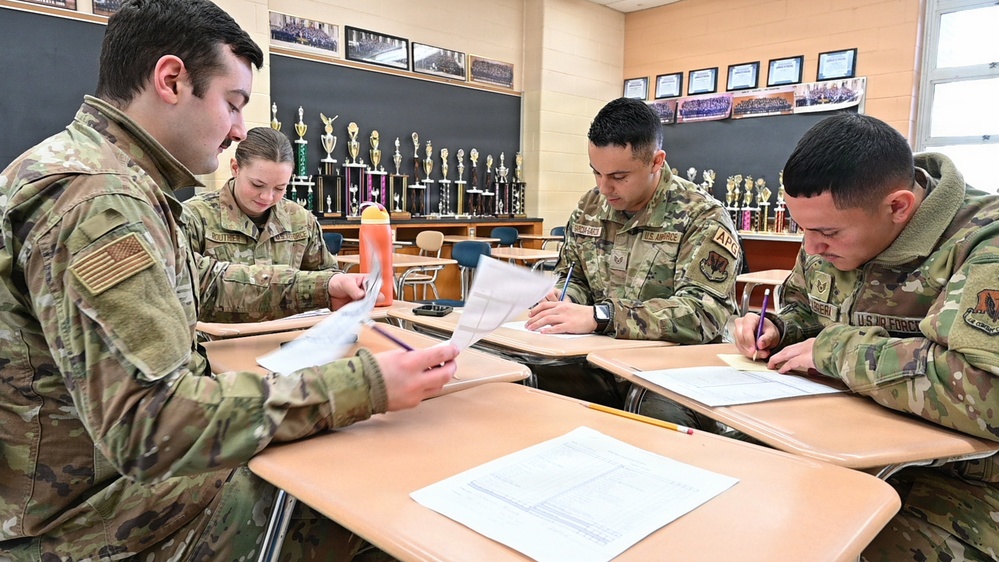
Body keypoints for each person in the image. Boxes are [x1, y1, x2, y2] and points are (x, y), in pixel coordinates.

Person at [0, 1, 458, 560]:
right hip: (93, 517)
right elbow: (152, 424)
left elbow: (200, 282)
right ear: (171, 80)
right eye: (233, 103)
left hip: (86, 488)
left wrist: (320, 287)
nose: (239, 129)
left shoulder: (107, 176)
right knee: (368, 509)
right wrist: (366, 386)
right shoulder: (99, 201)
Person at [732, 112, 999, 561]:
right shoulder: (831, 224)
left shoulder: (983, 244)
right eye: (803, 228)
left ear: (898, 207)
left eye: (826, 232)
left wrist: (834, 350)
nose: (811, 246)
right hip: (834, 441)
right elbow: (805, 310)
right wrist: (780, 329)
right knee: (730, 502)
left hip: (961, 478)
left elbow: (986, 394)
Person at [526, 97, 741, 409]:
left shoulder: (701, 216)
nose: (604, 188)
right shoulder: (591, 207)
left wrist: (602, 317)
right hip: (598, 361)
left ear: (656, 162)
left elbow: (702, 315)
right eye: (596, 173)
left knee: (656, 415)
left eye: (618, 177)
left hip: (673, 372)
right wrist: (564, 297)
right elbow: (576, 277)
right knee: (521, 379)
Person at [183, 126, 338, 322]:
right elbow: (184, 287)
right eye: (257, 185)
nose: (267, 197)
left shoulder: (300, 220)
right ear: (235, 168)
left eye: (280, 188)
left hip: (287, 340)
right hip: (216, 343)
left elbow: (328, 275)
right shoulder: (194, 216)